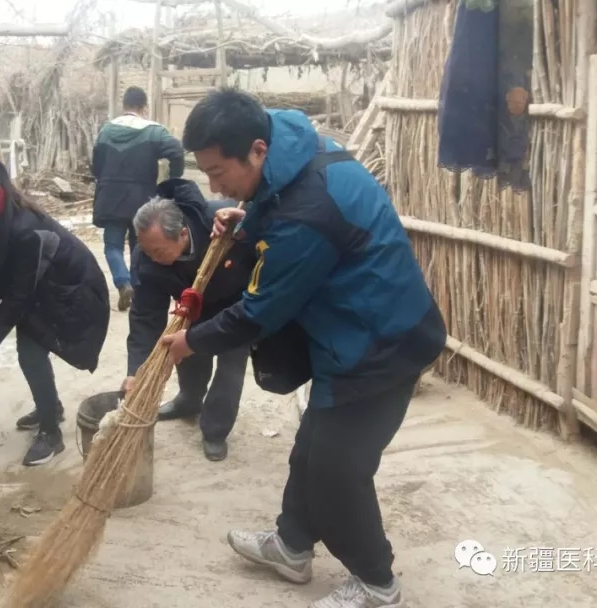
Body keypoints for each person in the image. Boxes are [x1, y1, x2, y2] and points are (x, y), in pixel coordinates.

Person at [160, 89, 446, 608]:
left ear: (256, 150)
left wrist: (191, 342)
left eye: (219, 173)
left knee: (338, 472)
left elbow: (259, 311)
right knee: (311, 448)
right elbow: (276, 206)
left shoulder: (306, 213)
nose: (214, 187)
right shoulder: (291, 142)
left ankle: (377, 583)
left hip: (381, 344)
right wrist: (246, 220)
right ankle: (292, 547)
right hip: (353, 330)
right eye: (206, 173)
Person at [0, 154, 111, 467]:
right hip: (39, 287)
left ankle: (51, 432)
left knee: (30, 354)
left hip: (69, 291)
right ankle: (51, 407)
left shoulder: (23, 230)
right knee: (30, 352)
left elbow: (16, 298)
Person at [121, 179, 255, 461]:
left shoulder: (222, 222)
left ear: (183, 234)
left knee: (230, 367)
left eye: (158, 251)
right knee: (186, 349)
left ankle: (215, 429)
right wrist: (135, 370)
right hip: (193, 307)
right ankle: (190, 400)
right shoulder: (147, 259)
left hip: (236, 306)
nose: (151, 257)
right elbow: (145, 317)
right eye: (146, 251)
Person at [91, 86, 186, 312]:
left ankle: (122, 282)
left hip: (111, 197)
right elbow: (176, 151)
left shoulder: (106, 130)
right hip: (141, 198)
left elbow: (95, 164)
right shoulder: (153, 131)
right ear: (144, 106)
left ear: (123, 105)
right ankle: (137, 288)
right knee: (140, 247)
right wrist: (172, 179)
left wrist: (105, 179)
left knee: (112, 245)